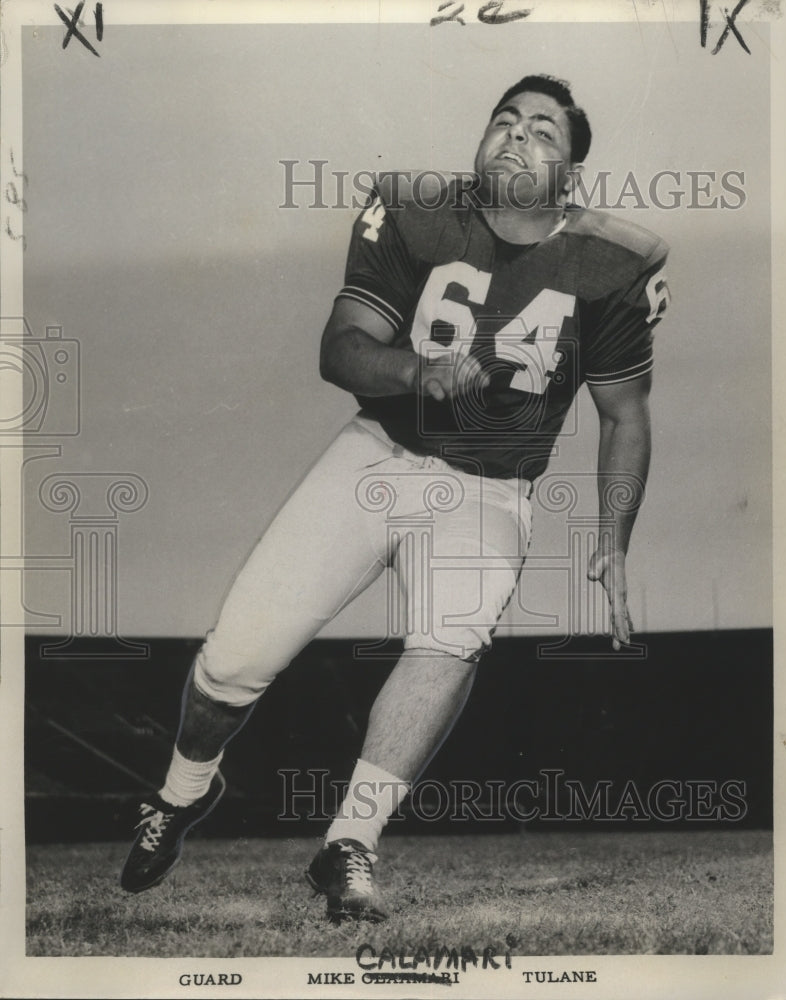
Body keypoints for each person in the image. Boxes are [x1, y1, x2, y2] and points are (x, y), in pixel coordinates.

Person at [120, 74, 669, 922]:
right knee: (233, 661)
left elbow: (623, 415)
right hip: (377, 452)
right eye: (504, 120)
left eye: (544, 133)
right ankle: (183, 791)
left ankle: (350, 844)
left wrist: (613, 537)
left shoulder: (608, 265)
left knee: (450, 637)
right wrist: (420, 372)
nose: (517, 136)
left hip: (490, 488)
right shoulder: (412, 210)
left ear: (571, 176)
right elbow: (341, 349)